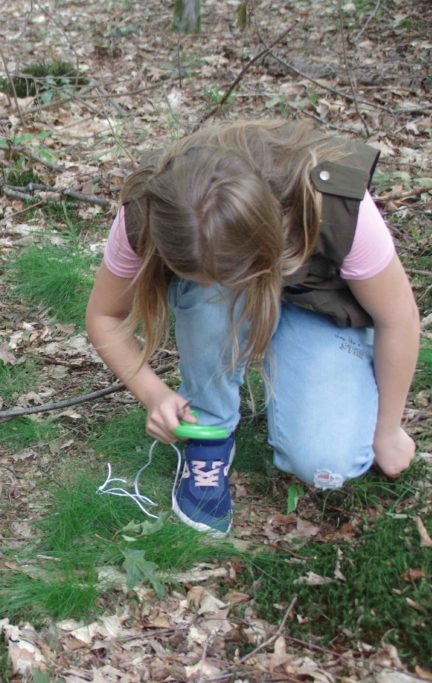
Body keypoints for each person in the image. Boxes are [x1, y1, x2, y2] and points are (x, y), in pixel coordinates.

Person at [85, 120, 419, 536]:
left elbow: (399, 317)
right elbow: (103, 315)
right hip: (220, 306)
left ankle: (296, 351)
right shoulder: (152, 209)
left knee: (327, 463)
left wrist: (388, 430)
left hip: (317, 302)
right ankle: (209, 433)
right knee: (212, 298)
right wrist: (154, 395)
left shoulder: (331, 200)